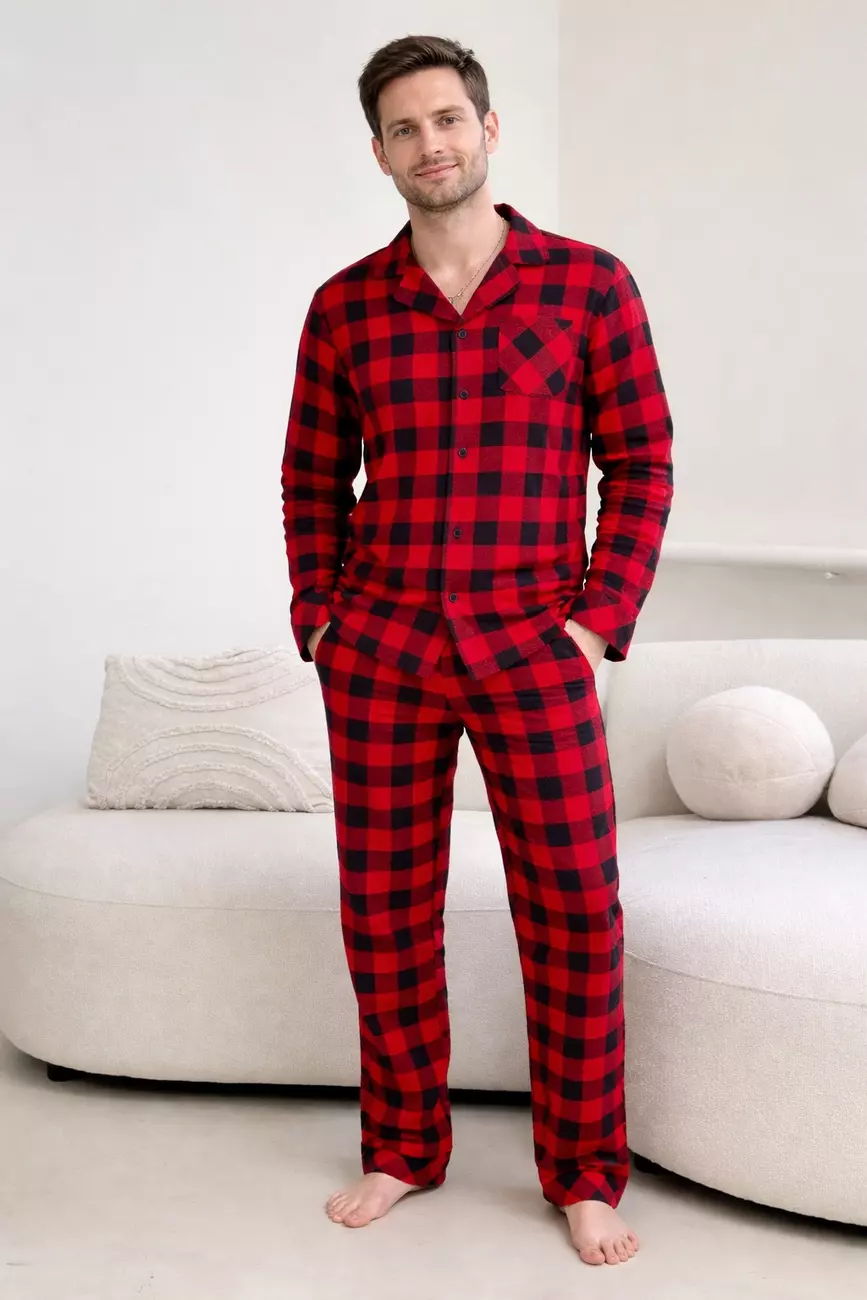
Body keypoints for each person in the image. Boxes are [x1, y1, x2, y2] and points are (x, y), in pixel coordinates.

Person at [280, 33, 674, 1268]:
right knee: (385, 908)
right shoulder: (345, 306)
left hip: (533, 641)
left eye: (447, 119)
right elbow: (310, 481)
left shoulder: (590, 286)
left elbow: (642, 463)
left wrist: (595, 622)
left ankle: (584, 1173)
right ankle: (403, 1144)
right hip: (383, 643)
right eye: (404, 128)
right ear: (379, 153)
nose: (430, 144)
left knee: (575, 906)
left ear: (488, 130)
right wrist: (322, 620)